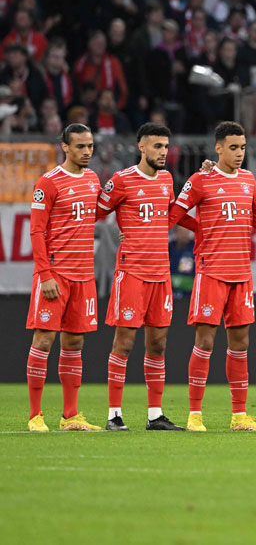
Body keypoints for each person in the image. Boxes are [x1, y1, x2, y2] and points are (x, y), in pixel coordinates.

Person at [168, 121, 256, 432]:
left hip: (241, 274)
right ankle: (194, 415)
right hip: (211, 272)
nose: (239, 153)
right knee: (205, 341)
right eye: (233, 148)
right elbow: (174, 214)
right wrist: (200, 228)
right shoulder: (201, 180)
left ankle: (239, 416)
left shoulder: (248, 180)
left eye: (242, 147)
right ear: (218, 148)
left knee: (240, 342)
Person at [96, 123, 196, 431]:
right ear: (142, 147)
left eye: (166, 146)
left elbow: (171, 216)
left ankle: (155, 415)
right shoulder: (122, 180)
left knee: (158, 345)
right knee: (124, 342)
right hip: (132, 273)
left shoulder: (167, 179)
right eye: (157, 146)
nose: (163, 152)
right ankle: (114, 415)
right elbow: (98, 211)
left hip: (160, 273)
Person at [25, 124, 102, 432]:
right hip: (55, 275)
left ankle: (70, 416)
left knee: (74, 342)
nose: (86, 151)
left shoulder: (93, 179)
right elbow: (36, 231)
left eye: (90, 146)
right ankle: (35, 416)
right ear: (65, 147)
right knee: (43, 340)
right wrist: (45, 274)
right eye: (80, 146)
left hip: (84, 276)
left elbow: (105, 209)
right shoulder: (49, 182)